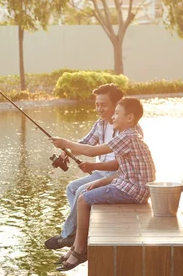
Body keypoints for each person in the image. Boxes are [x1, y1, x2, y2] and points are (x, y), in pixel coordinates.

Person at [50, 97, 156, 271]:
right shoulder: (129, 136)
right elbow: (126, 170)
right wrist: (102, 180)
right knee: (84, 190)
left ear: (129, 118)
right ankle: (76, 245)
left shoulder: (127, 137)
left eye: (116, 113)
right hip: (133, 186)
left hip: (134, 191)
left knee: (84, 199)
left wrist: (65, 143)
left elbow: (90, 151)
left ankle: (80, 250)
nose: (113, 117)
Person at [44, 83, 142, 250]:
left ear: (117, 104)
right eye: (97, 104)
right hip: (101, 172)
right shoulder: (101, 124)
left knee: (83, 190)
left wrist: (93, 165)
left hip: (118, 176)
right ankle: (79, 229)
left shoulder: (131, 130)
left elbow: (120, 163)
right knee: (72, 188)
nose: (99, 109)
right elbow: (85, 143)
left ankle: (67, 236)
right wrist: (65, 152)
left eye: (103, 105)